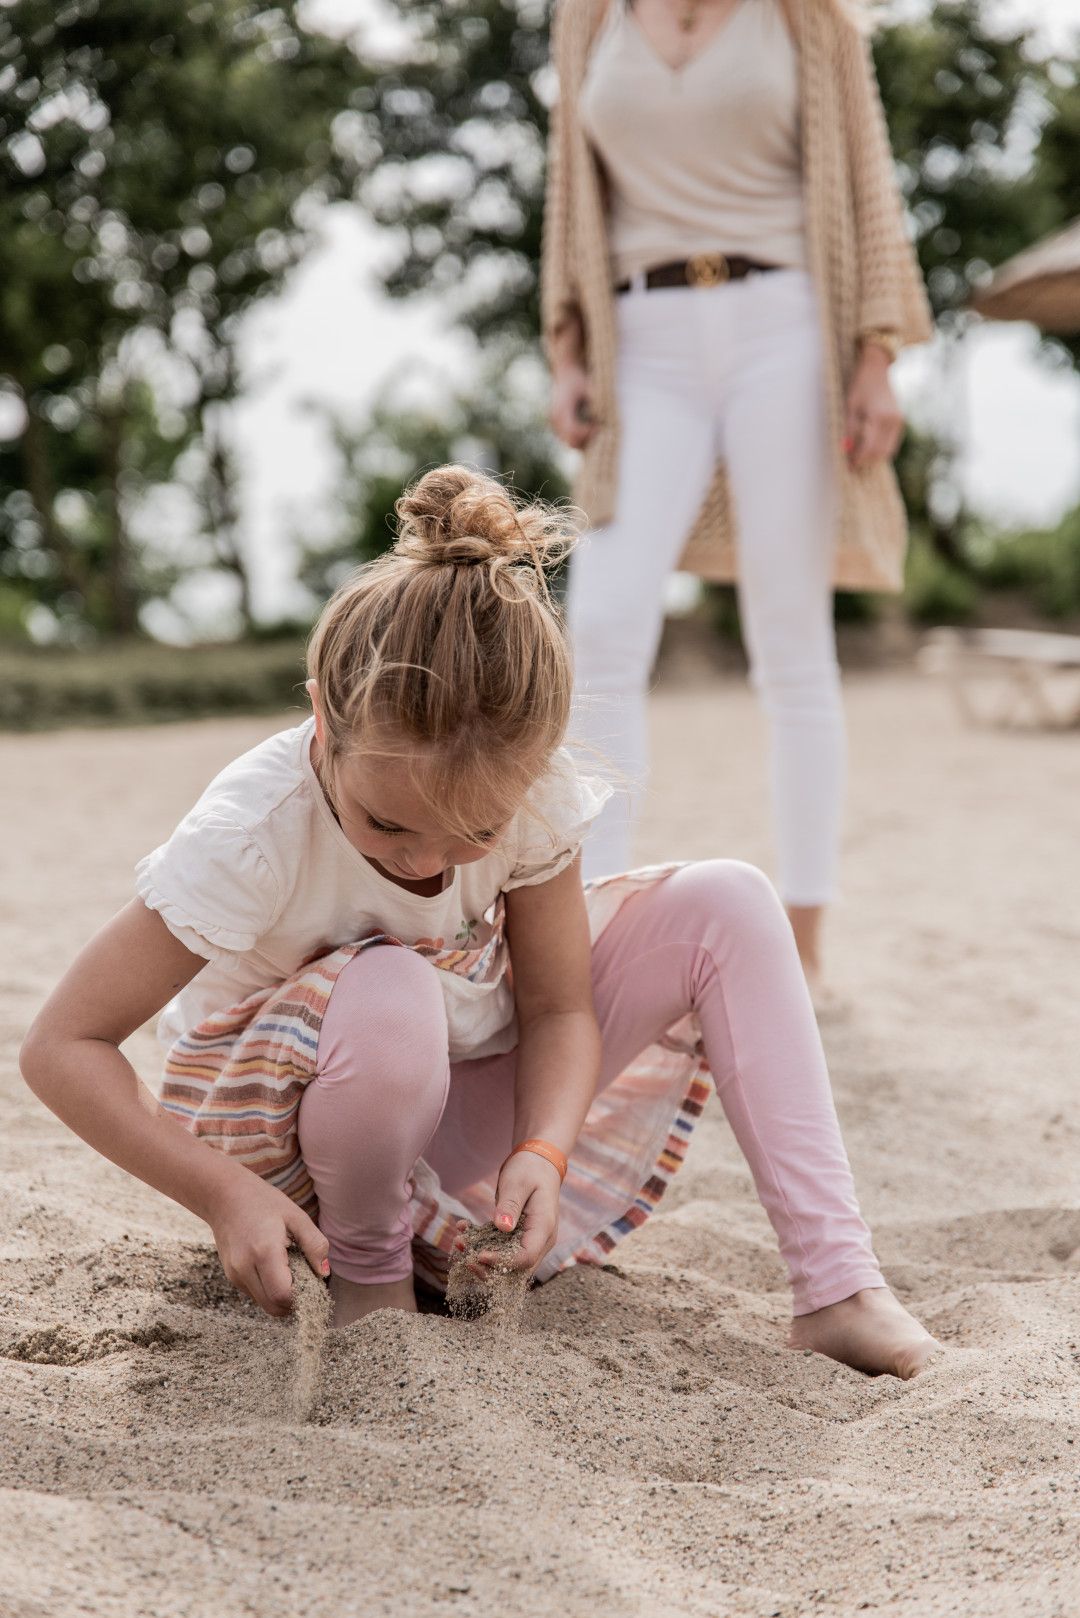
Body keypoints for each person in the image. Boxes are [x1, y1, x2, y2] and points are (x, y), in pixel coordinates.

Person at [21, 466, 936, 1377]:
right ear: (324, 722)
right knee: (391, 982)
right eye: (387, 824)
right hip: (290, 1155)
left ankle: (838, 1288)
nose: (422, 863)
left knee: (728, 902)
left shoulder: (532, 793)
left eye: (474, 834)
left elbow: (559, 1009)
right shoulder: (251, 835)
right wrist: (222, 1198)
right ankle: (371, 1285)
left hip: (448, 1098)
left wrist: (544, 1145)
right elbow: (63, 1045)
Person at [542, 0, 933, 990]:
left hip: (786, 324)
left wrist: (876, 353)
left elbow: (869, 189)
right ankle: (601, 934)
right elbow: (567, 194)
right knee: (605, 630)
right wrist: (568, 346)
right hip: (645, 342)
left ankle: (801, 950)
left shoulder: (810, 20)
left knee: (791, 640)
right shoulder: (587, 18)